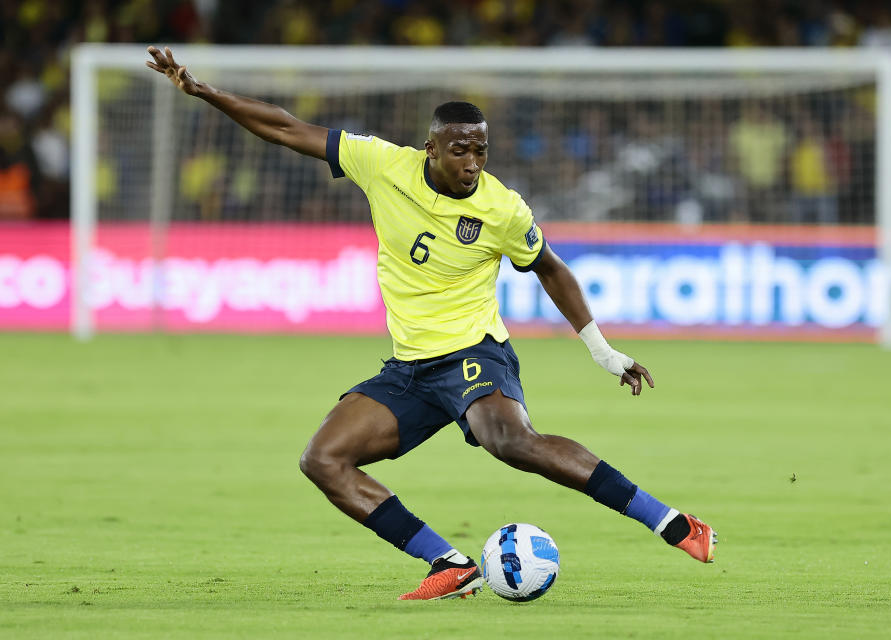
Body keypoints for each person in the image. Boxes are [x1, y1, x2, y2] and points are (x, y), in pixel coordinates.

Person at [146, 46, 717, 601]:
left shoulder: (502, 209)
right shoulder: (382, 164)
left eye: (482, 151)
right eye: (461, 150)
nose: (473, 163)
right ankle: (449, 562)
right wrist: (203, 91)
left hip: (475, 351)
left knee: (510, 441)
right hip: (410, 368)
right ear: (430, 149)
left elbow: (550, 267)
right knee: (322, 459)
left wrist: (601, 349)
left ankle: (671, 523)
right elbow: (287, 128)